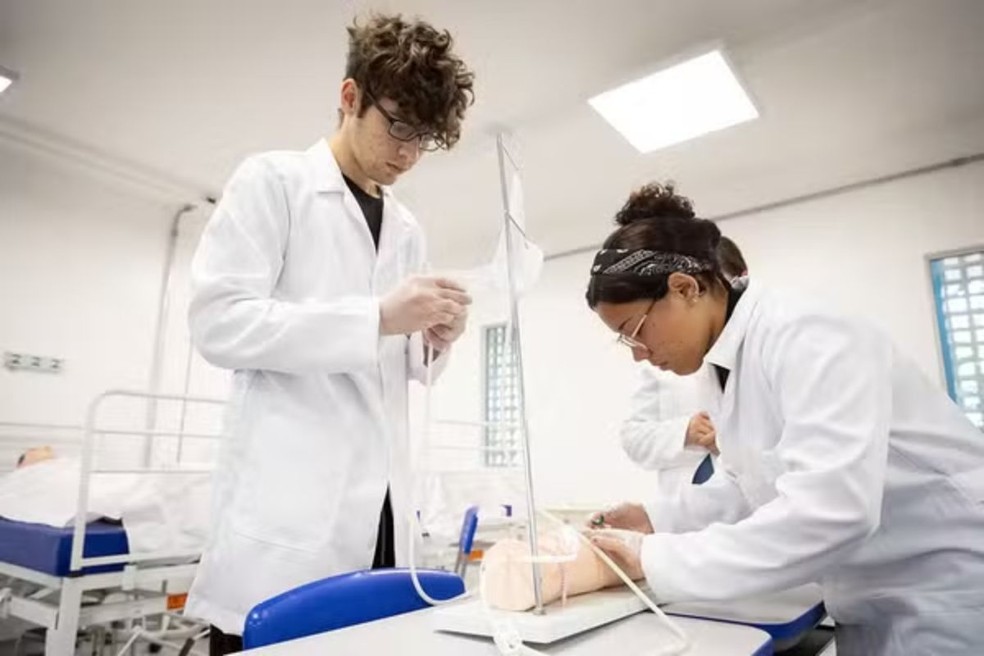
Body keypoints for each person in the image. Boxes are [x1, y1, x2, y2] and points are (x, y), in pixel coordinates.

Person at [584, 182, 984, 655]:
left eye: (634, 333)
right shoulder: (721, 366)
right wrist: (655, 518)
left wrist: (650, 558)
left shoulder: (808, 333)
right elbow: (753, 486)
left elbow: (832, 511)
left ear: (685, 288)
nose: (639, 355)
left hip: (949, 591)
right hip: (872, 598)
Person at [183, 14, 475, 653]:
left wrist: (434, 340)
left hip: (381, 512)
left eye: (424, 138)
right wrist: (376, 317)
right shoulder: (273, 183)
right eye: (398, 126)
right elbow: (219, 324)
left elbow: (398, 366)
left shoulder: (407, 227)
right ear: (350, 98)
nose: (408, 153)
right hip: (289, 513)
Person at [619, 236, 748, 494]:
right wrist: (685, 432)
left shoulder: (762, 348)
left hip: (751, 500)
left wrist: (729, 441)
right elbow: (633, 438)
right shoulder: (661, 360)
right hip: (686, 501)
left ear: (743, 280)